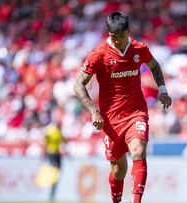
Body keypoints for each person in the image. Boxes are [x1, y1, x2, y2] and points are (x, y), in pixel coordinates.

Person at [73, 11, 172, 203]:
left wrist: (163, 90)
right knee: (118, 171)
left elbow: (154, 66)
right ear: (108, 33)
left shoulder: (139, 48)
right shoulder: (99, 54)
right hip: (110, 119)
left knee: (138, 151)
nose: (117, 40)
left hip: (136, 112)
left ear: (128, 31)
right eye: (113, 36)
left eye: (121, 36)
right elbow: (78, 84)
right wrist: (94, 111)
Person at [44, 121, 64, 201]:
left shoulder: (58, 132)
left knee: (56, 173)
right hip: (52, 153)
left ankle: (52, 191)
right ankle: (52, 191)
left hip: (55, 153)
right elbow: (45, 138)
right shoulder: (52, 131)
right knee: (55, 173)